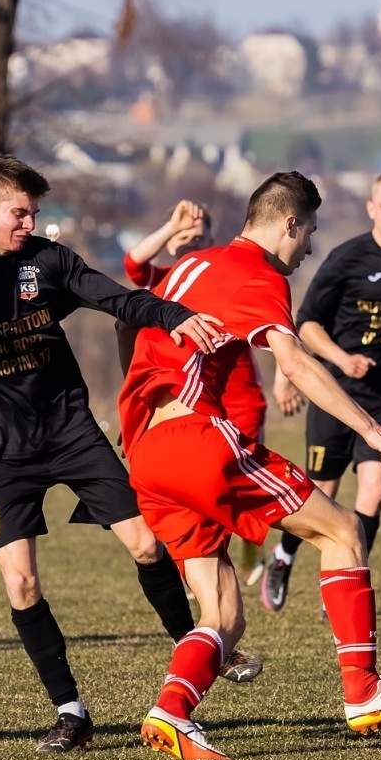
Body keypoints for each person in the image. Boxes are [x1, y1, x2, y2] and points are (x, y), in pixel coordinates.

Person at [0, 155, 241, 754]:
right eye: (18, 213)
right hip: (2, 453)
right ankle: (71, 713)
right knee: (21, 583)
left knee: (145, 544)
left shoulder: (48, 262)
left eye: (34, 213)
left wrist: (177, 316)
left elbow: (120, 300)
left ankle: (197, 650)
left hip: (72, 434)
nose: (29, 223)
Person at [120, 170, 381, 760]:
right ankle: (363, 691)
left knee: (224, 614)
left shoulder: (192, 266)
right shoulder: (258, 271)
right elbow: (293, 363)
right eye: (310, 233)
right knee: (343, 531)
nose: (310, 249)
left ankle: (171, 711)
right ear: (288, 223)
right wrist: (372, 429)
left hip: (145, 451)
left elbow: (129, 319)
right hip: (199, 440)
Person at [261, 171, 381, 614]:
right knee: (322, 488)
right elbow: (307, 324)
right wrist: (342, 361)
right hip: (335, 392)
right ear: (371, 208)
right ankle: (284, 556)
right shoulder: (346, 258)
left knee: (375, 486)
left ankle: (346, 581)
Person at [120, 200, 271, 589]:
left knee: (237, 492)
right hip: (193, 408)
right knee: (201, 499)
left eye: (200, 237)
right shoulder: (169, 281)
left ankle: (250, 556)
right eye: (185, 238)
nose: (193, 243)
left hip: (240, 402)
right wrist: (172, 226)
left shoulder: (228, 277)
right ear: (173, 244)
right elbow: (133, 266)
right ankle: (207, 578)